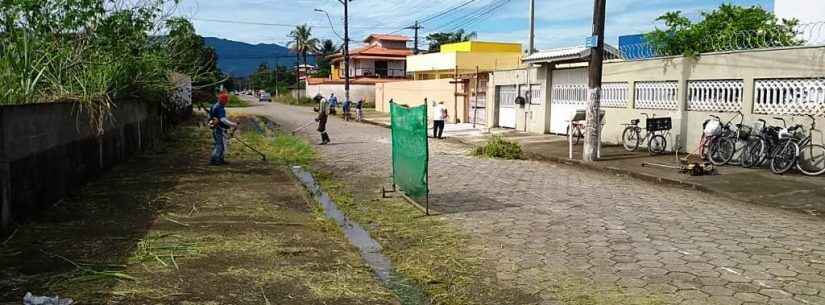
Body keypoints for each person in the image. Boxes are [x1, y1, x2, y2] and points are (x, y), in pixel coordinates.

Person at [209, 91, 238, 165]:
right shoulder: (220, 108)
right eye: (226, 100)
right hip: (219, 129)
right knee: (219, 145)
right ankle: (215, 160)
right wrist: (233, 124)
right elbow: (222, 119)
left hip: (215, 127)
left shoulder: (214, 106)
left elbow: (211, 117)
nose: (226, 102)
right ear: (222, 100)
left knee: (219, 144)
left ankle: (220, 159)